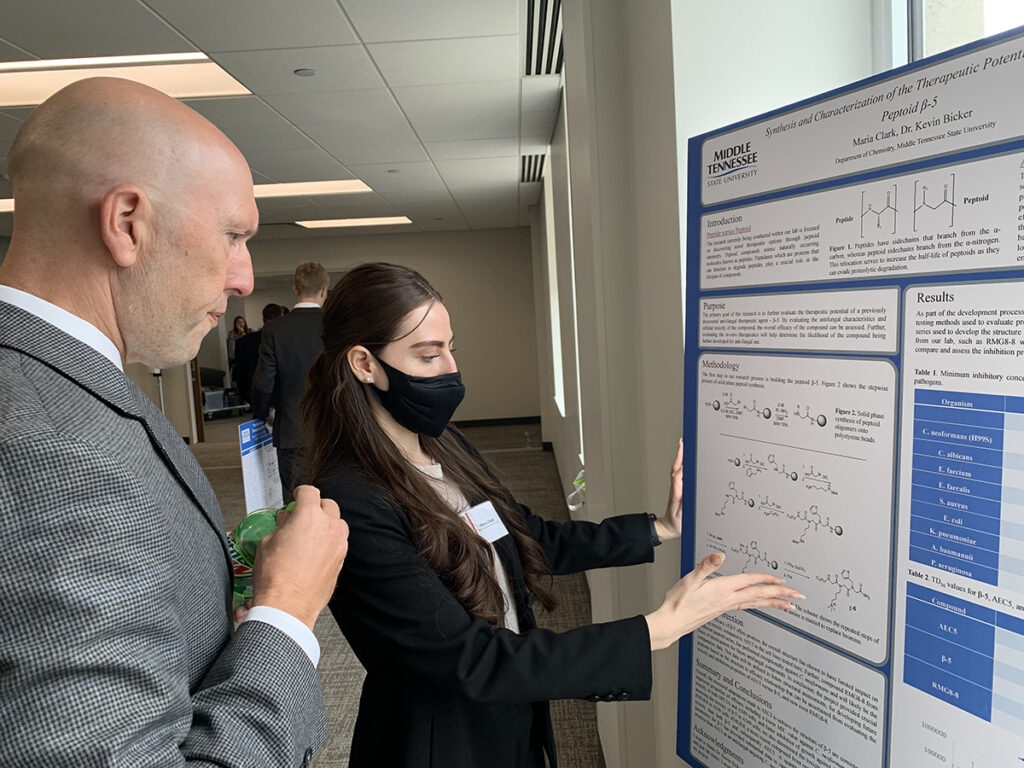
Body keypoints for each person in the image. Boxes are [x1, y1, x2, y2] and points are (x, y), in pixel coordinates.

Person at [300, 262, 803, 768]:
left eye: (452, 349)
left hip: (512, 712)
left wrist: (660, 528)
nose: (451, 370)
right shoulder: (351, 503)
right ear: (364, 363)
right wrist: (657, 628)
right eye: (429, 355)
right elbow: (471, 661)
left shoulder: (443, 444)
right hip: (442, 743)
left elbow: (526, 538)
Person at [0, 77, 349, 767]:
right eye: (233, 235)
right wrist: (285, 614)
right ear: (128, 222)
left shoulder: (64, 386)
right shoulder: (49, 448)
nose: (244, 278)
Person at [251, 261, 329, 503]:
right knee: (337, 501)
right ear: (324, 290)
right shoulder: (336, 326)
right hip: (335, 431)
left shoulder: (275, 330)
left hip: (292, 430)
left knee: (297, 503)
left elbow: (263, 383)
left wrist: (262, 413)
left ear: (295, 289)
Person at [234, 303, 283, 405]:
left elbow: (239, 373)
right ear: (281, 318)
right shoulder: (286, 341)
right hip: (283, 397)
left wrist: (246, 397)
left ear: (263, 319)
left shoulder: (243, 342)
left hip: (254, 395)